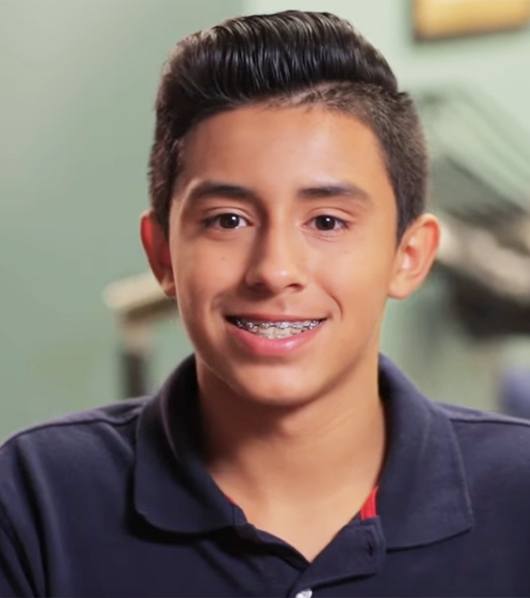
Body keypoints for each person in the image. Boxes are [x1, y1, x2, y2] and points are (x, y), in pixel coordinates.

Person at [1, 10, 530, 597]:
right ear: (163, 256)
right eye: (228, 220)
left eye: (327, 221)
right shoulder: (33, 501)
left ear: (409, 254)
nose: (275, 270)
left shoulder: (520, 493)